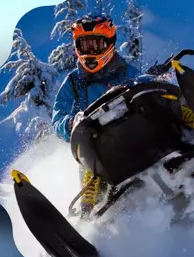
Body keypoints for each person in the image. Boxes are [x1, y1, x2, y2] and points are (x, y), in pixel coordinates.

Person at [51, 14, 150, 216]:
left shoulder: (127, 73)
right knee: (85, 141)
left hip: (134, 140)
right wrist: (70, 124)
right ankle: (89, 212)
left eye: (96, 45)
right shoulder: (72, 83)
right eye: (85, 46)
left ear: (109, 44)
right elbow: (58, 118)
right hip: (99, 152)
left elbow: (146, 95)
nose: (90, 52)